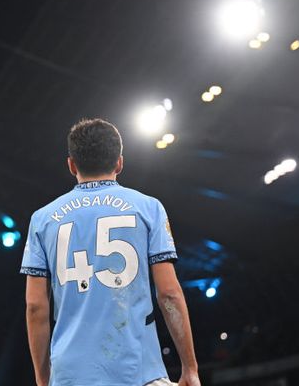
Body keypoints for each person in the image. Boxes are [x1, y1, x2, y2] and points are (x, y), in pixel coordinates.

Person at [20, 118, 200, 386]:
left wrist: (43, 380)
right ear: (119, 162)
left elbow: (35, 307)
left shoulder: (43, 219)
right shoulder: (148, 208)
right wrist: (190, 368)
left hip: (71, 376)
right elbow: (169, 294)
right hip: (138, 372)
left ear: (71, 165)